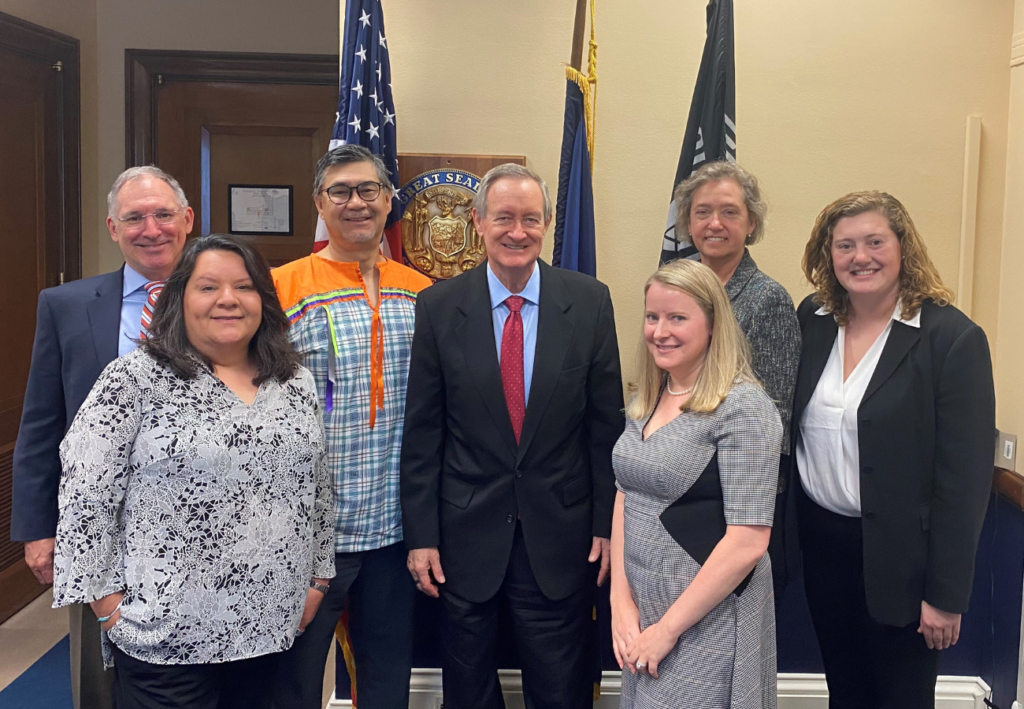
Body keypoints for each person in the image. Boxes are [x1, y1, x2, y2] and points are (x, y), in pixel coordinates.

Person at [51, 234, 335, 709]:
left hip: (274, 625)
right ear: (178, 299)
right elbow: (85, 496)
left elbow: (317, 490)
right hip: (165, 638)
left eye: (244, 287)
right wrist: (107, 605)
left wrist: (318, 580)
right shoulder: (134, 379)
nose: (228, 299)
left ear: (263, 300)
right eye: (208, 287)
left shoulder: (294, 381)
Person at [400, 163, 625, 709]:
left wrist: (604, 525)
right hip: (464, 535)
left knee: (561, 690)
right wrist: (422, 536)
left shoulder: (589, 302)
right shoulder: (438, 306)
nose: (516, 231)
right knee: (469, 690)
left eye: (530, 218)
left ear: (547, 223)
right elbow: (424, 433)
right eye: (503, 217)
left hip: (561, 535)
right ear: (478, 223)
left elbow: (605, 429)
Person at [794, 191, 995, 708]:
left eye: (875, 241)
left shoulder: (950, 339)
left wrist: (946, 596)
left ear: (903, 247)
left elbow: (964, 480)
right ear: (827, 255)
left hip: (906, 562)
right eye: (845, 246)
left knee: (901, 697)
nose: (860, 257)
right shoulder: (812, 320)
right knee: (847, 691)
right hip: (824, 548)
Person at [11, 165, 193, 709]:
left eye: (163, 214)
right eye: (133, 217)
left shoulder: (230, 299)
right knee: (100, 673)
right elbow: (43, 422)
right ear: (113, 229)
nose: (151, 228)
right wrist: (38, 528)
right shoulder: (64, 305)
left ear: (187, 220)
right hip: (101, 521)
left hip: (202, 517)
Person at [271, 145, 432, 709]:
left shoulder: (423, 292)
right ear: (320, 203)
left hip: (395, 529)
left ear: (389, 200)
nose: (356, 202)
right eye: (340, 192)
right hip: (308, 531)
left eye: (368, 190)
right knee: (291, 679)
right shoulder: (279, 288)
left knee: (387, 678)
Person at [610, 258, 781, 709]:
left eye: (677, 318)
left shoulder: (744, 408)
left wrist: (666, 631)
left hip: (705, 618)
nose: (660, 331)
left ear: (712, 324)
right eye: (653, 317)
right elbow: (626, 491)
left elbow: (748, 541)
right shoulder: (649, 394)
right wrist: (620, 603)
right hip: (645, 603)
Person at [672, 160, 800, 602]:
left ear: (751, 224)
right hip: (677, 485)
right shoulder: (679, 289)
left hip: (733, 501)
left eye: (729, 212)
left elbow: (774, 419)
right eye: (702, 211)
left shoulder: (768, 300)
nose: (715, 223)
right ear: (687, 222)